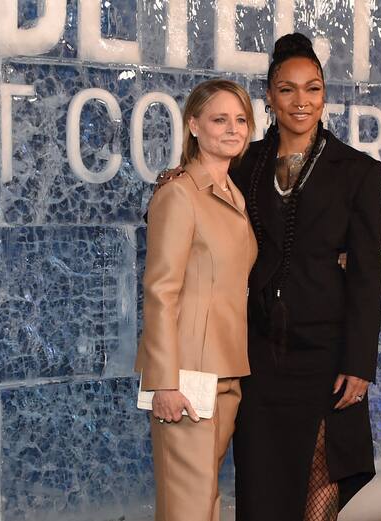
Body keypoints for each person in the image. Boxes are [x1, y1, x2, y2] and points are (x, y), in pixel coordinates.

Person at [231, 33, 381, 521]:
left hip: (327, 353)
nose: (302, 101)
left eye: (313, 88)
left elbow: (366, 272)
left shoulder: (358, 171)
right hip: (259, 355)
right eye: (288, 89)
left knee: (322, 485)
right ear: (269, 95)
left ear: (325, 94)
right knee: (263, 484)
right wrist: (178, 179)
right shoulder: (242, 163)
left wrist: (360, 363)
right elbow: (196, 216)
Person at [134, 79, 257, 521]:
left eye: (241, 119)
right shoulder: (179, 194)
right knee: (188, 507)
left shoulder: (232, 193)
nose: (232, 129)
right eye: (219, 119)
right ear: (194, 125)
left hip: (226, 368)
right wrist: (163, 380)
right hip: (185, 377)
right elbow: (160, 290)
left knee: (204, 502)